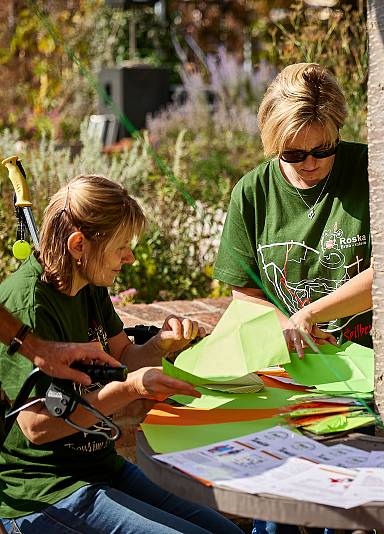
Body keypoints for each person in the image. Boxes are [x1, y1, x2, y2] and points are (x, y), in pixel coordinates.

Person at [0, 175, 242, 534]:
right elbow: (38, 427)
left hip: (100, 467)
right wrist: (131, 389)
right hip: (48, 490)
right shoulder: (28, 305)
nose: (129, 258)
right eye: (120, 247)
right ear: (78, 245)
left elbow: (124, 357)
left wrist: (160, 345)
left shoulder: (86, 282)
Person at [214, 62, 373, 359]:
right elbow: (246, 294)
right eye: (293, 154)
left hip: (371, 356)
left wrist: (310, 314)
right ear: (273, 145)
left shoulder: (369, 171)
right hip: (291, 361)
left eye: (323, 150)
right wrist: (292, 329)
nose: (310, 163)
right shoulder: (252, 192)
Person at [0, 303, 120, 385]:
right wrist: (130, 388)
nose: (129, 263)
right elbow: (33, 420)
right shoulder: (30, 304)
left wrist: (36, 348)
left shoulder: (93, 288)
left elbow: (122, 350)